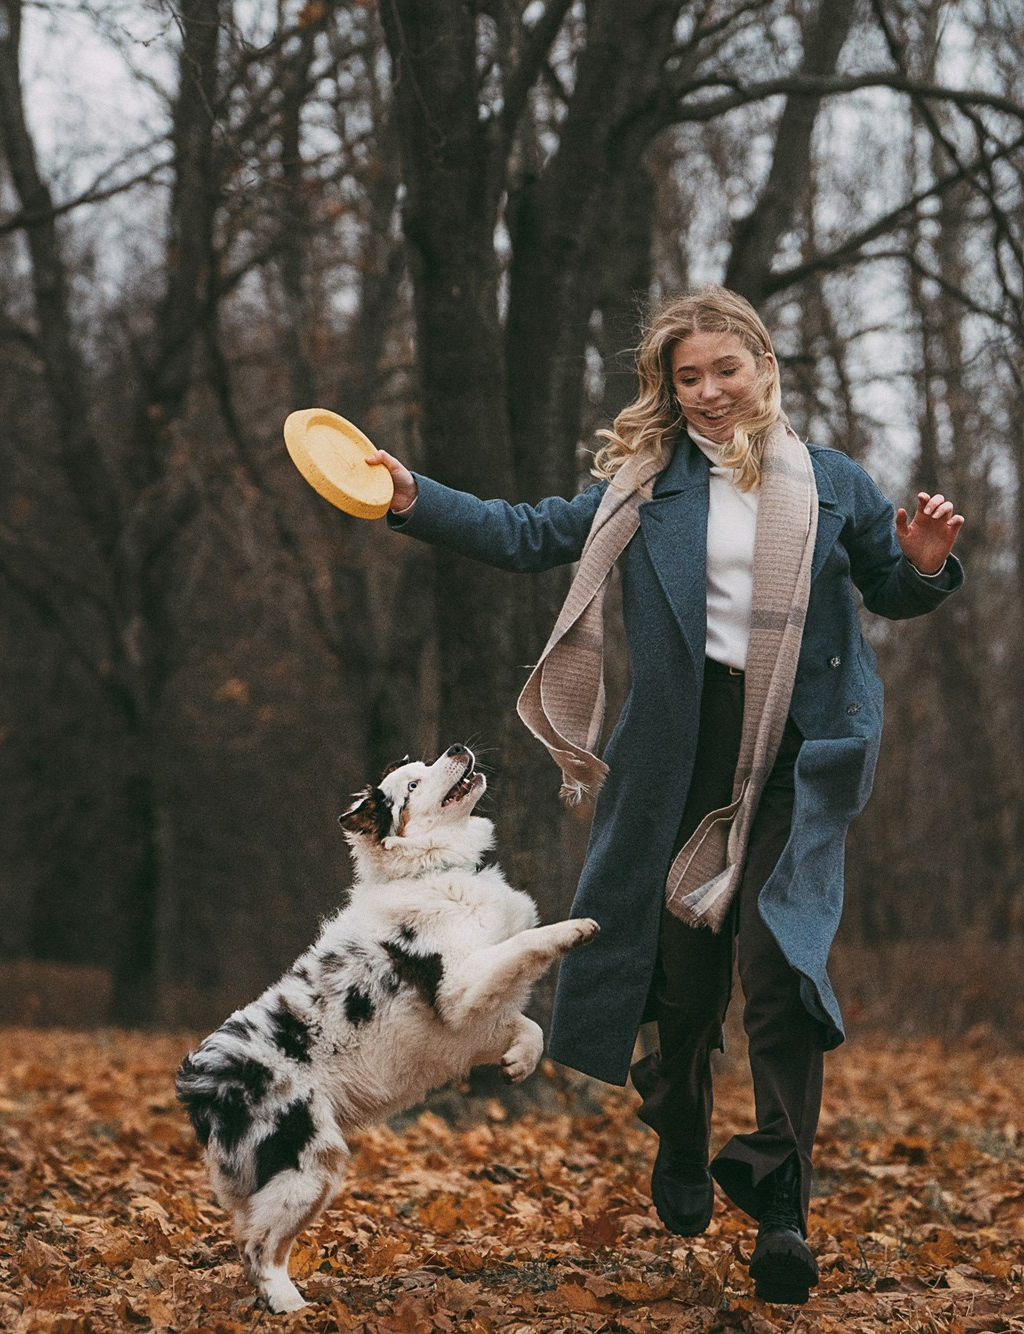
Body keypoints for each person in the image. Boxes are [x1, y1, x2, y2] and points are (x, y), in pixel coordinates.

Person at [365, 286, 963, 1305]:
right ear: (668, 388)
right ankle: (679, 1132)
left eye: (724, 369)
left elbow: (886, 587)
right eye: (686, 376)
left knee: (780, 966)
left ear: (764, 367)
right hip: (680, 756)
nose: (707, 391)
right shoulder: (644, 490)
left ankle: (781, 1205)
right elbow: (521, 533)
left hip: (792, 753)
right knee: (682, 985)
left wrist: (921, 567)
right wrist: (409, 493)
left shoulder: (831, 481)